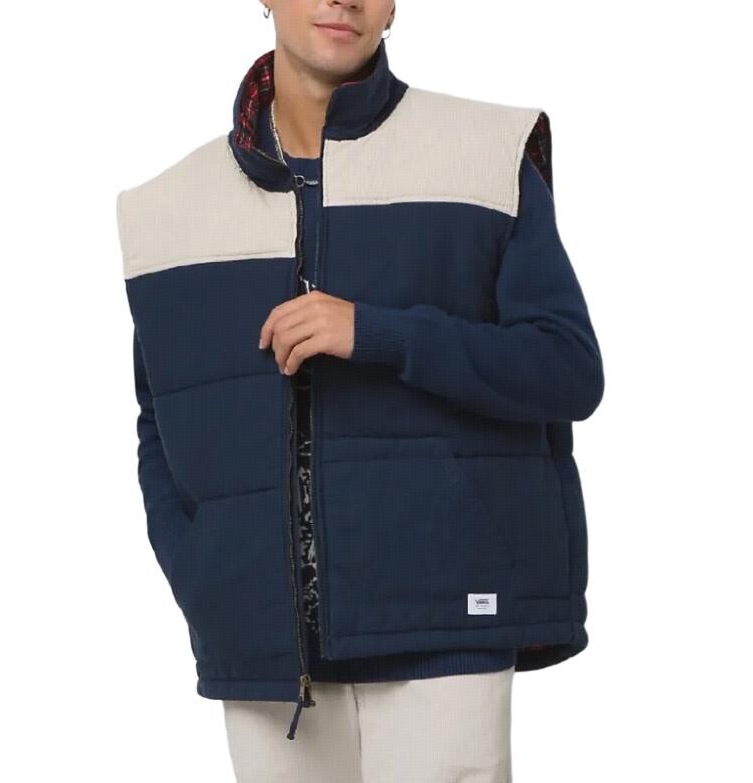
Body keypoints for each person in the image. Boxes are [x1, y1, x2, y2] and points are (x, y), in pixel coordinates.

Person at [115, 1, 604, 780]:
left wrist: (375, 332)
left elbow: (566, 369)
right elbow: (160, 416)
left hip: (443, 624)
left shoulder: (481, 154)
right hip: (263, 644)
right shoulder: (167, 207)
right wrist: (202, 569)